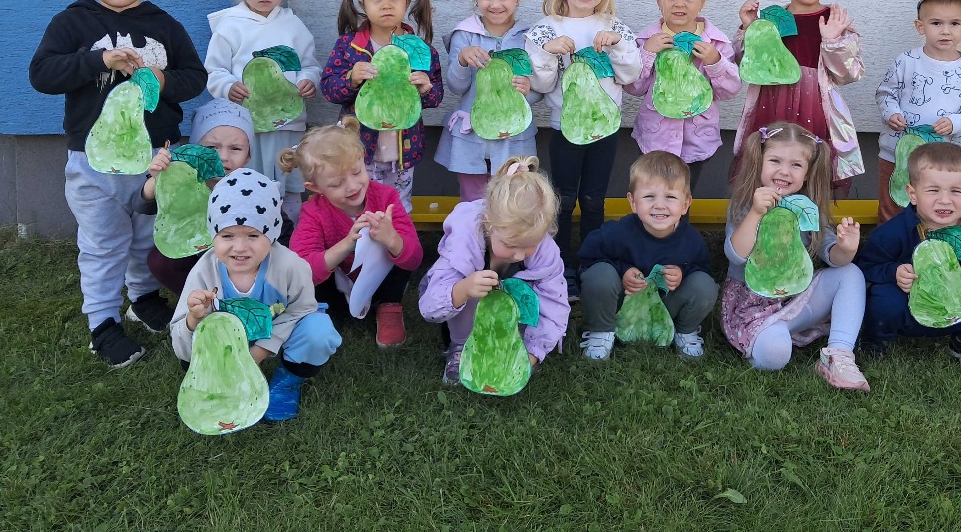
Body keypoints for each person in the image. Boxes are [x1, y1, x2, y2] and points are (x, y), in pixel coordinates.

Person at [29, 0, 207, 368]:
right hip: (93, 163)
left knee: (148, 236)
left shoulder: (164, 25)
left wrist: (161, 79)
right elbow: (42, 74)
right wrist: (97, 61)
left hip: (158, 157)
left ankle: (143, 297)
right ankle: (103, 323)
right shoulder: (72, 23)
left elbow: (195, 77)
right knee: (104, 244)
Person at [170, 169, 341, 422]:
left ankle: (287, 381)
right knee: (195, 344)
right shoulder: (204, 271)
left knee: (319, 331)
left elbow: (301, 309)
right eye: (227, 235)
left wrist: (261, 351)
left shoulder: (291, 266)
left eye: (253, 235)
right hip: (228, 343)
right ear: (212, 234)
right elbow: (179, 342)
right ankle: (218, 378)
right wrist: (193, 320)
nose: (240, 247)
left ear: (271, 234)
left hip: (277, 331)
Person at [525, 0, 642, 300]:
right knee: (562, 198)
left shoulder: (614, 26)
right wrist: (548, 53)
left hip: (605, 132)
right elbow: (541, 86)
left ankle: (591, 263)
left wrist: (618, 45)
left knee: (593, 200)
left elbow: (631, 74)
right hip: (565, 131)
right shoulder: (546, 29)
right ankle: (559, 267)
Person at [720, 122, 870, 391]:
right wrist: (756, 213)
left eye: (796, 165)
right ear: (759, 161)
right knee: (775, 355)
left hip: (797, 299)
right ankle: (770, 335)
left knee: (850, 273)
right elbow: (736, 255)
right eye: (775, 161)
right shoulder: (745, 204)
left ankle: (839, 354)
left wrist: (846, 249)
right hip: (752, 307)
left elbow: (832, 257)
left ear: (807, 172)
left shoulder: (807, 208)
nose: (784, 171)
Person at [856, 142, 961, 369]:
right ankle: (875, 340)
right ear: (912, 194)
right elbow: (867, 265)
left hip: (960, 309)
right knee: (884, 298)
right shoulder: (893, 232)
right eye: (933, 190)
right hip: (910, 309)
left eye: (956, 191)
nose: (944, 200)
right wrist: (894, 272)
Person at [418, 156, 570, 385]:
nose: (519, 255)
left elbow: (554, 303)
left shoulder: (544, 248)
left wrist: (532, 354)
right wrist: (463, 289)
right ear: (489, 223)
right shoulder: (463, 242)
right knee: (473, 284)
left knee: (532, 290)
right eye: (510, 245)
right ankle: (460, 346)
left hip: (512, 327)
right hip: (464, 319)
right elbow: (429, 307)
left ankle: (514, 343)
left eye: (529, 245)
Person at [733, 0, 863, 196]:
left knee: (810, 169)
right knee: (770, 164)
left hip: (815, 106)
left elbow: (849, 73)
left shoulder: (834, 19)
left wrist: (832, 41)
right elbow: (746, 64)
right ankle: (762, 215)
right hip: (771, 104)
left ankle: (811, 219)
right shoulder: (771, 19)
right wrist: (750, 29)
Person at [204, 0, 321, 223]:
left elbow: (310, 64)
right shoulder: (230, 26)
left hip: (288, 124)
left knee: (289, 184)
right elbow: (214, 70)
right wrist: (228, 86)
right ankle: (249, 233)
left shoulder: (292, 24)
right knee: (248, 185)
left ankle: (290, 235)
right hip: (246, 128)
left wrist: (309, 79)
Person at [283, 119, 423, 349]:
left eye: (357, 172)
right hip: (338, 281)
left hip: (381, 279)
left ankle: (389, 306)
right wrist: (347, 243)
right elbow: (302, 271)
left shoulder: (386, 197)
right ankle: (320, 312)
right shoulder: (313, 212)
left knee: (399, 247)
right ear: (315, 188)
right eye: (337, 183)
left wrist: (392, 239)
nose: (352, 186)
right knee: (315, 276)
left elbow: (414, 258)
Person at [321, 0, 444, 213]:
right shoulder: (349, 46)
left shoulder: (420, 50)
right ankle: (359, 240)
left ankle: (398, 239)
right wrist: (351, 79)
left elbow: (436, 97)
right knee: (360, 206)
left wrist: (426, 88)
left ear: (407, 1)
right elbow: (329, 88)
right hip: (359, 148)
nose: (386, 4)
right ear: (362, 3)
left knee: (398, 207)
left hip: (404, 148)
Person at [577, 151, 719, 360]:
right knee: (599, 274)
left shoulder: (691, 240)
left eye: (670, 197)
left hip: (666, 306)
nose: (659, 205)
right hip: (621, 304)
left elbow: (702, 269)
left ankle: (684, 331)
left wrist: (682, 272)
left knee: (704, 284)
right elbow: (587, 260)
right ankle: (601, 331)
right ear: (633, 201)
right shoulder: (616, 233)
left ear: (686, 204)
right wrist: (623, 271)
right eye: (649, 196)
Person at [625, 0, 741, 193]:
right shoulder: (646, 39)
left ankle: (681, 218)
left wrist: (715, 62)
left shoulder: (716, 42)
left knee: (683, 196)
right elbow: (634, 87)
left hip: (696, 137)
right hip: (656, 136)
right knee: (654, 193)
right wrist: (647, 54)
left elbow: (730, 91)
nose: (680, 4)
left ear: (703, 0)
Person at [875, 0, 961, 222]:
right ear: (920, 26)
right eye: (936, 23)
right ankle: (887, 245)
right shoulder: (906, 62)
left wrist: (956, 122)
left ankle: (931, 243)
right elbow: (885, 93)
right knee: (892, 207)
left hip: (944, 161)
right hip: (898, 153)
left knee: (937, 209)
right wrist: (891, 112)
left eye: (954, 23)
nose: (945, 31)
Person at [434, 0, 540, 202]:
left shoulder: (529, 37)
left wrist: (529, 90)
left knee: (512, 200)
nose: (496, 4)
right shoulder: (464, 35)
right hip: (472, 137)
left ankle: (505, 231)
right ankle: (473, 230)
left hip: (513, 137)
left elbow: (538, 91)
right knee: (473, 200)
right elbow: (456, 87)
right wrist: (462, 60)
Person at [142, 98, 256, 295]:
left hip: (241, 257)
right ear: (194, 150)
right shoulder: (183, 181)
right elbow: (142, 205)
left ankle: (239, 297)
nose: (223, 157)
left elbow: (280, 227)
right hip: (193, 248)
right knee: (160, 261)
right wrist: (157, 180)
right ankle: (197, 299)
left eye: (235, 148)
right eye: (212, 148)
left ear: (248, 157)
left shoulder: (252, 187)